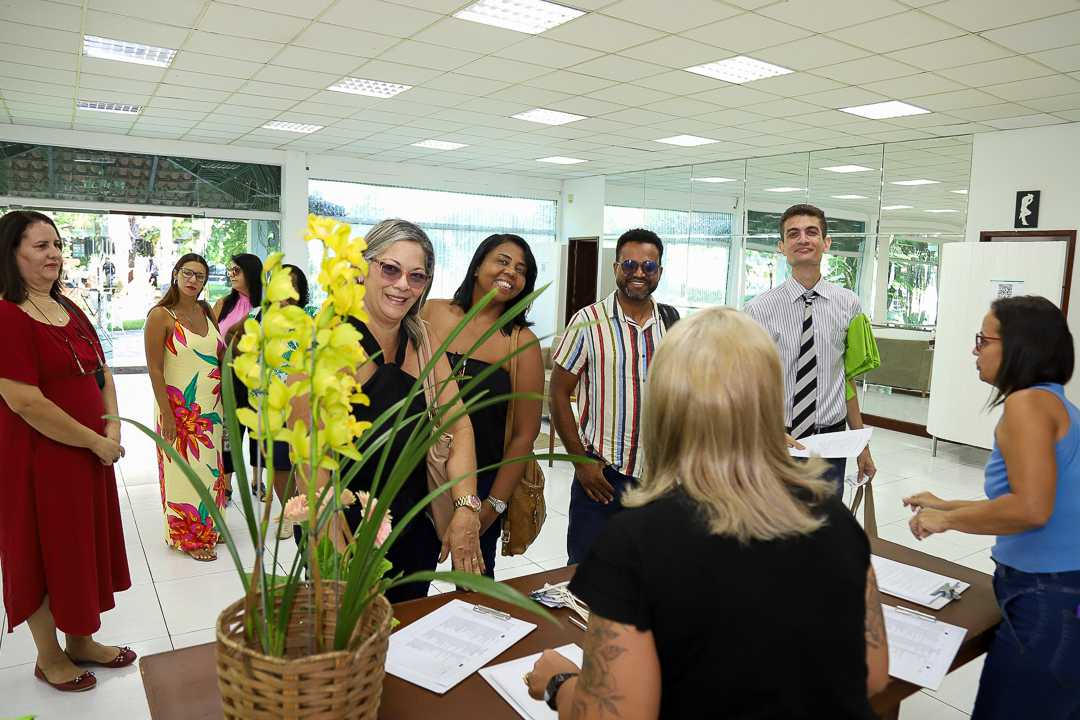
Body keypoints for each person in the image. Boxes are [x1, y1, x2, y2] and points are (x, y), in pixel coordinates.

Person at [527, 307, 889, 718]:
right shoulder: (833, 518)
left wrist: (559, 684)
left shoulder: (635, 543)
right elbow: (874, 675)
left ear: (664, 406)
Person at [904, 296, 1080, 720]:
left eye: (983, 340)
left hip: (1046, 594)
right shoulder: (1055, 403)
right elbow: (1035, 501)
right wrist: (946, 503)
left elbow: (1031, 509)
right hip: (1060, 591)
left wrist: (947, 520)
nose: (975, 349)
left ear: (1019, 347)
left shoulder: (1027, 405)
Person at [297, 219, 485, 602]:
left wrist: (466, 507)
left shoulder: (424, 339)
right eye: (390, 269)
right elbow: (308, 458)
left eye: (416, 276)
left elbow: (459, 426)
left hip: (413, 528)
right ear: (362, 269)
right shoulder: (327, 343)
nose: (402, 285)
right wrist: (337, 555)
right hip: (342, 528)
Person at [0, 210, 135, 692]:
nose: (54, 254)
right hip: (38, 460)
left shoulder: (69, 308)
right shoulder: (7, 316)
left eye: (57, 244)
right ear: (12, 253)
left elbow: (102, 373)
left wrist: (112, 425)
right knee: (38, 550)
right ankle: (48, 655)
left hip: (87, 455)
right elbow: (25, 401)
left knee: (79, 547)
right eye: (41, 246)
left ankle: (81, 640)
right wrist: (96, 440)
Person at [550, 228, 679, 565]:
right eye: (630, 264)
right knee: (587, 575)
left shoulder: (672, 324)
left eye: (649, 266)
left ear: (660, 272)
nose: (639, 273)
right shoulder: (587, 322)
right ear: (616, 267)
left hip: (657, 480)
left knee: (648, 574)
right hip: (603, 480)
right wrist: (580, 462)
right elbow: (558, 394)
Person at [422, 234, 544, 576]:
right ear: (477, 266)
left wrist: (493, 506)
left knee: (472, 588)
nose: (511, 272)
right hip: (416, 474)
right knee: (404, 586)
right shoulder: (431, 313)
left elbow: (523, 435)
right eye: (502, 261)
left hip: (481, 484)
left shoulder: (521, 343)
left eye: (521, 269)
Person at [745, 203, 875, 496]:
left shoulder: (849, 304)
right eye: (793, 234)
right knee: (773, 520)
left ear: (826, 243)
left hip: (830, 444)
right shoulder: (758, 309)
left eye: (811, 232)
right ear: (782, 246)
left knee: (826, 521)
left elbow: (847, 379)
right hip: (775, 440)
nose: (803, 239)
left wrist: (861, 445)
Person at [145, 254, 226, 562]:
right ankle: (188, 538)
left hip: (210, 410)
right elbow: (154, 369)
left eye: (200, 276)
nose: (193, 280)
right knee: (182, 471)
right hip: (178, 410)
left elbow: (219, 355)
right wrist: (166, 414)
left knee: (210, 469)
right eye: (188, 273)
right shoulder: (160, 316)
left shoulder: (206, 310)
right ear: (176, 274)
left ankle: (210, 528)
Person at [234, 263, 310, 539]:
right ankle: (290, 513)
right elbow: (236, 345)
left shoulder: (311, 319)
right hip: (267, 407)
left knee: (303, 463)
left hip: (303, 404)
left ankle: (306, 510)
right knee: (277, 465)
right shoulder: (256, 317)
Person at [213, 253, 263, 495]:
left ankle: (257, 480)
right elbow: (211, 338)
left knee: (258, 429)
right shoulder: (223, 304)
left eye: (236, 271)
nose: (231, 275)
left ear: (251, 273)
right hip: (229, 375)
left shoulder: (266, 307)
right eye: (230, 270)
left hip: (257, 376)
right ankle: (227, 482)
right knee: (229, 430)